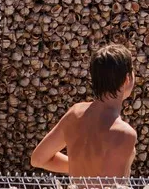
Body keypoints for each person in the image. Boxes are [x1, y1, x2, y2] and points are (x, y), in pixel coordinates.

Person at [30, 43, 138, 178]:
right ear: (127, 79)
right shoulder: (124, 134)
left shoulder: (75, 113)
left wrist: (80, 165)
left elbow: (38, 159)